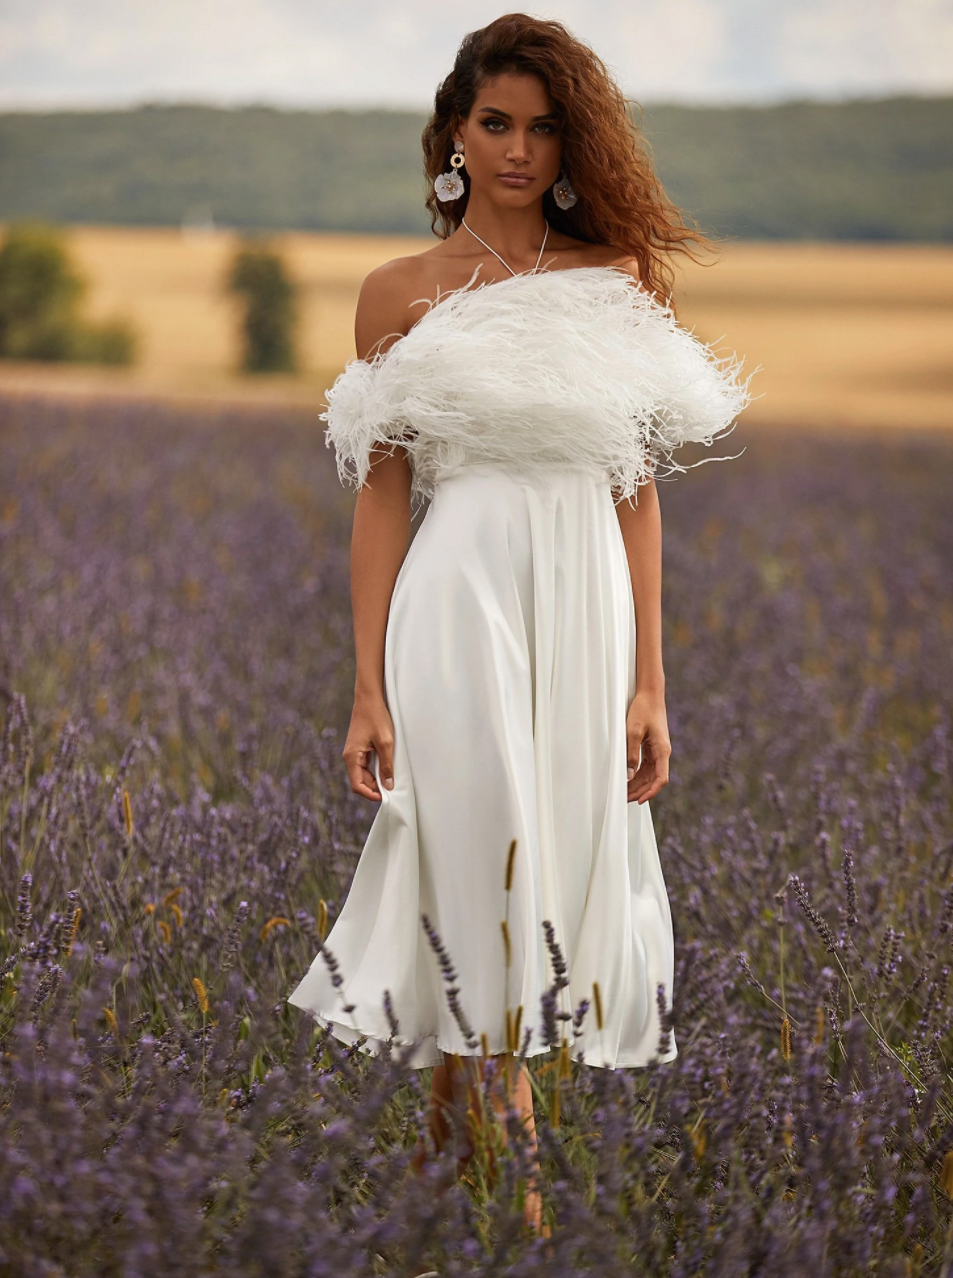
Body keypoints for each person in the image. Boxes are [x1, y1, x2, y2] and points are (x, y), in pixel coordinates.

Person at [287, 13, 750, 1236]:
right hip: (457, 601)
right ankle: (526, 1205)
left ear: (570, 143)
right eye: (495, 124)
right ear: (452, 135)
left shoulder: (615, 281)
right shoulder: (398, 293)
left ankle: (447, 1205)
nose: (518, 151)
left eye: (544, 129)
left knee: (540, 878)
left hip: (586, 607)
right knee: (477, 864)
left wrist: (651, 683)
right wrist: (367, 687)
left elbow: (634, 493)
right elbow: (382, 496)